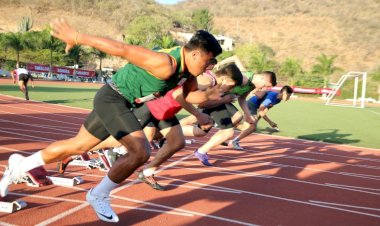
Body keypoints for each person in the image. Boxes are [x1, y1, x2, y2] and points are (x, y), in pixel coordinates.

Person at [0, 18, 222, 223]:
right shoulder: (165, 63)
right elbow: (122, 49)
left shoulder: (187, 74)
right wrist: (77, 38)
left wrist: (199, 113)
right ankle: (98, 194)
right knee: (140, 151)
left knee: (76, 146)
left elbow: (184, 94)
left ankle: (20, 165)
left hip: (124, 103)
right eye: (210, 60)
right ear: (195, 54)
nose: (210, 66)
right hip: (112, 98)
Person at [184, 71, 277, 166]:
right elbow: (221, 83)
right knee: (229, 129)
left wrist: (248, 115)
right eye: (265, 85)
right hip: (217, 99)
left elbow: (242, 99)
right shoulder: (244, 78)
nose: (263, 88)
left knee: (201, 131)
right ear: (262, 78)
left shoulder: (251, 85)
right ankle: (201, 151)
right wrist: (212, 98)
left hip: (222, 101)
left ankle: (171, 132)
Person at [228, 85, 293, 150]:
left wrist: (257, 120)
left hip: (254, 107)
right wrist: (270, 122)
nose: (289, 98)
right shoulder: (272, 97)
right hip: (251, 105)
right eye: (289, 95)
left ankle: (228, 123)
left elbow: (266, 109)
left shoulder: (278, 100)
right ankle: (234, 141)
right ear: (284, 93)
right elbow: (261, 110)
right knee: (252, 127)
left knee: (245, 128)